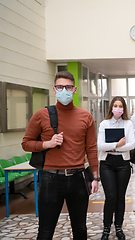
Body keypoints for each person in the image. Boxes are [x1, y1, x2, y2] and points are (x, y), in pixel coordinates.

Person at [22, 71, 99, 240]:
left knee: (80, 229)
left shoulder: (86, 117)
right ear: (54, 90)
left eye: (68, 87)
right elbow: (26, 143)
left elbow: (91, 148)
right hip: (51, 179)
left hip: (78, 178)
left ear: (75, 89)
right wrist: (46, 144)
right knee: (46, 231)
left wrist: (95, 177)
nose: (64, 90)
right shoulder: (41, 115)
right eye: (60, 86)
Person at [97, 96, 135, 240]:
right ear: (111, 108)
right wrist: (117, 145)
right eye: (115, 105)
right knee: (111, 197)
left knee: (120, 198)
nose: (118, 108)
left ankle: (119, 227)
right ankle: (106, 228)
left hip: (123, 164)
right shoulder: (104, 123)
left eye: (120, 106)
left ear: (124, 108)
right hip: (106, 164)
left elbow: (131, 145)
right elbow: (100, 146)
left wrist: (112, 147)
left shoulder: (128, 124)